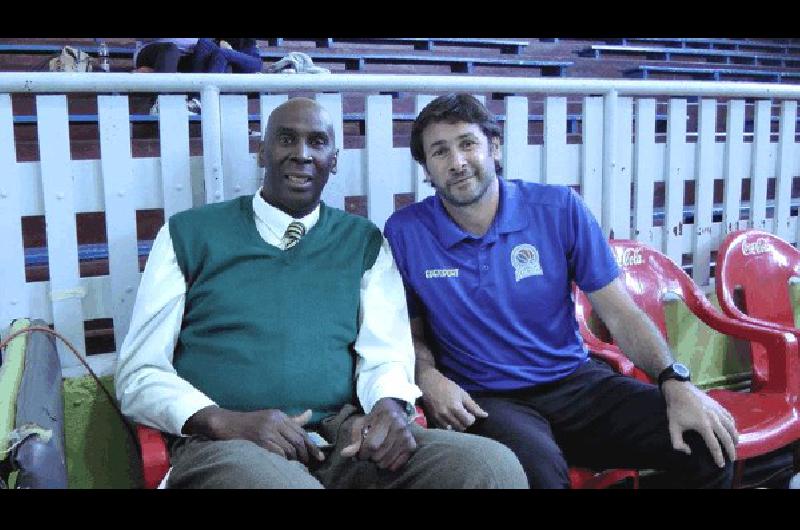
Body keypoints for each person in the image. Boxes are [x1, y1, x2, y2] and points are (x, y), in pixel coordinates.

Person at [115, 97, 527, 489]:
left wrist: (387, 405)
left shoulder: (362, 241)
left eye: (317, 142)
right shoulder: (190, 234)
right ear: (262, 153)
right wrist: (221, 420)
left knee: (490, 467)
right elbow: (139, 373)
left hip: (342, 438)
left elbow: (384, 352)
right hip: (230, 444)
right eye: (286, 139)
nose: (302, 154)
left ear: (333, 161)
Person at [383, 93, 738, 489]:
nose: (458, 162)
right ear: (427, 169)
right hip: (487, 400)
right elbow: (411, 335)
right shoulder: (405, 232)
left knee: (707, 442)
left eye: (468, 143)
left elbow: (621, 313)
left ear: (494, 147)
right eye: (440, 152)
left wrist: (676, 382)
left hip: (575, 383)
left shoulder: (557, 208)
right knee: (540, 477)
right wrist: (428, 377)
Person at [132, 39, 202, 115]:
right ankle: (161, 104)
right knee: (170, 49)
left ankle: (197, 102)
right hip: (156, 53)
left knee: (211, 48)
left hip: (191, 54)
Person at [191, 38, 263, 74]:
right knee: (203, 42)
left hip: (251, 59)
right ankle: (195, 97)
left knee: (222, 53)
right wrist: (220, 42)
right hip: (226, 53)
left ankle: (211, 91)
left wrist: (229, 49)